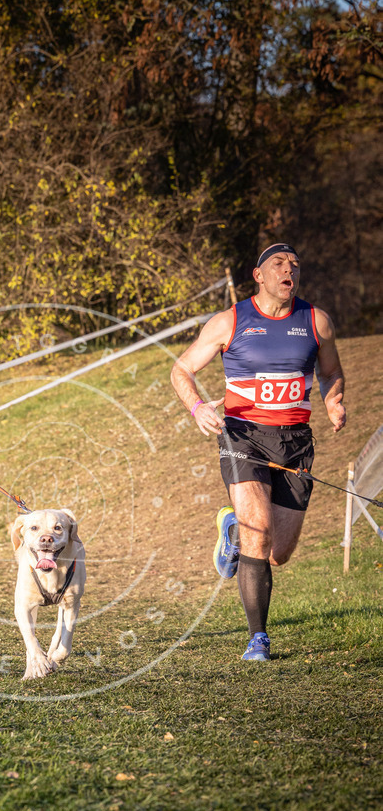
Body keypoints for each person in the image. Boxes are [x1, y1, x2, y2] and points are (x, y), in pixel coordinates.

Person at [170, 243, 346, 661]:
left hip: (296, 443)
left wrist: (333, 401)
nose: (291, 271)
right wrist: (196, 408)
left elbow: (331, 371)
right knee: (258, 529)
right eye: (280, 264)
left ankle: (232, 528)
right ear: (259, 275)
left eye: (296, 265)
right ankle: (258, 639)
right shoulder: (230, 321)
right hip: (243, 437)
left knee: (277, 553)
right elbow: (182, 369)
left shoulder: (316, 321)